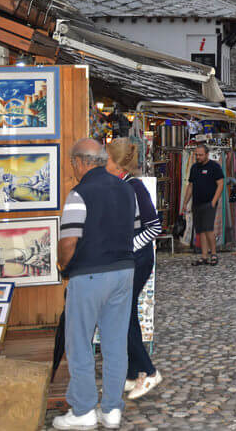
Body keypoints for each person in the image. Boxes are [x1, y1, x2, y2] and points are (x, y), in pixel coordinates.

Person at [53, 139, 135, 431]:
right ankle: (112, 410)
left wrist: (65, 265)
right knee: (114, 344)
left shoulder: (80, 193)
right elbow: (134, 230)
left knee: (80, 343)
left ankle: (84, 410)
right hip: (123, 272)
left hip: (89, 274)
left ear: (80, 161)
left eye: (72, 163)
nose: (73, 168)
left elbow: (69, 241)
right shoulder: (126, 189)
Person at [105, 139, 162, 402]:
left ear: (117, 164)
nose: (103, 164)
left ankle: (149, 371)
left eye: (107, 160)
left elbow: (154, 227)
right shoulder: (121, 186)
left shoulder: (134, 187)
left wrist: (129, 248)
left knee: (121, 316)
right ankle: (133, 373)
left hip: (137, 261)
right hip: (130, 260)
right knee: (125, 315)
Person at [180, 143, 224, 266]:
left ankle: (213, 254)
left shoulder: (214, 166)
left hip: (208, 203)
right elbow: (190, 185)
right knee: (200, 230)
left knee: (209, 229)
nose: (198, 157)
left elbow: (221, 184)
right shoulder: (194, 168)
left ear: (206, 154)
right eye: (196, 155)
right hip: (196, 203)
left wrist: (214, 201)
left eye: (200, 155)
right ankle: (204, 256)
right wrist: (185, 202)